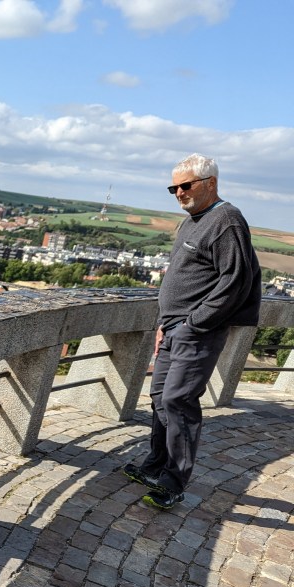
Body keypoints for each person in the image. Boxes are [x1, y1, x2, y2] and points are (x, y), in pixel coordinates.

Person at [123, 153, 261, 510]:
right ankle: (155, 466)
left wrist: (193, 323)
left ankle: (173, 482)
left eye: (185, 185)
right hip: (172, 329)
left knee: (179, 401)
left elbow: (237, 281)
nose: (179, 193)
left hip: (197, 332)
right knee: (160, 396)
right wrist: (164, 324)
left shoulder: (226, 220)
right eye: (174, 188)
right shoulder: (191, 221)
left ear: (210, 183)